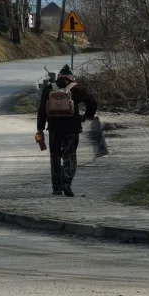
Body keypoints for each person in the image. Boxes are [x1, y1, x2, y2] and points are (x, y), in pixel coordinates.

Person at [37, 65, 97, 197]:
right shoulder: (76, 89)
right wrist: (86, 116)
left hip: (54, 129)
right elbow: (93, 102)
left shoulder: (48, 89)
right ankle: (67, 181)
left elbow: (41, 111)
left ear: (59, 77)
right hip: (72, 128)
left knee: (55, 157)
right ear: (71, 78)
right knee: (70, 155)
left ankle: (56, 186)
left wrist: (40, 129)